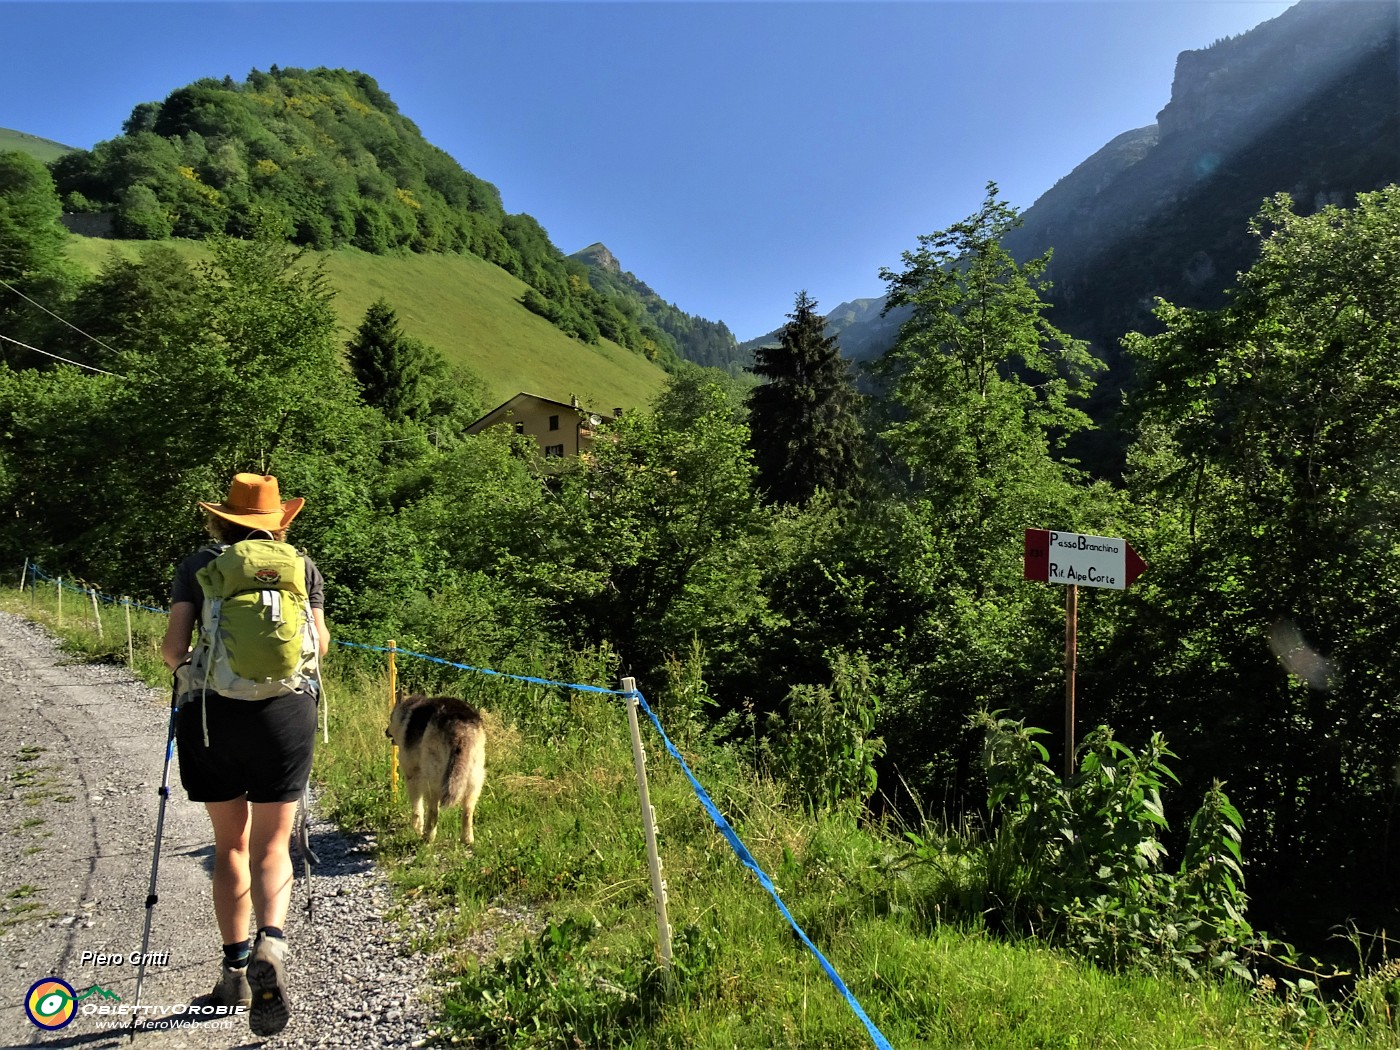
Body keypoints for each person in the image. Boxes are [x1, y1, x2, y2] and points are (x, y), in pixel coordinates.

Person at [160, 473, 330, 1038]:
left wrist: (189, 675)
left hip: (212, 716)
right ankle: (272, 943)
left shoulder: (198, 565)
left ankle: (234, 971)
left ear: (222, 519)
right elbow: (320, 645)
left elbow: (172, 649)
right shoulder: (299, 567)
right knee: (272, 843)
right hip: (285, 715)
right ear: (279, 520)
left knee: (229, 843)